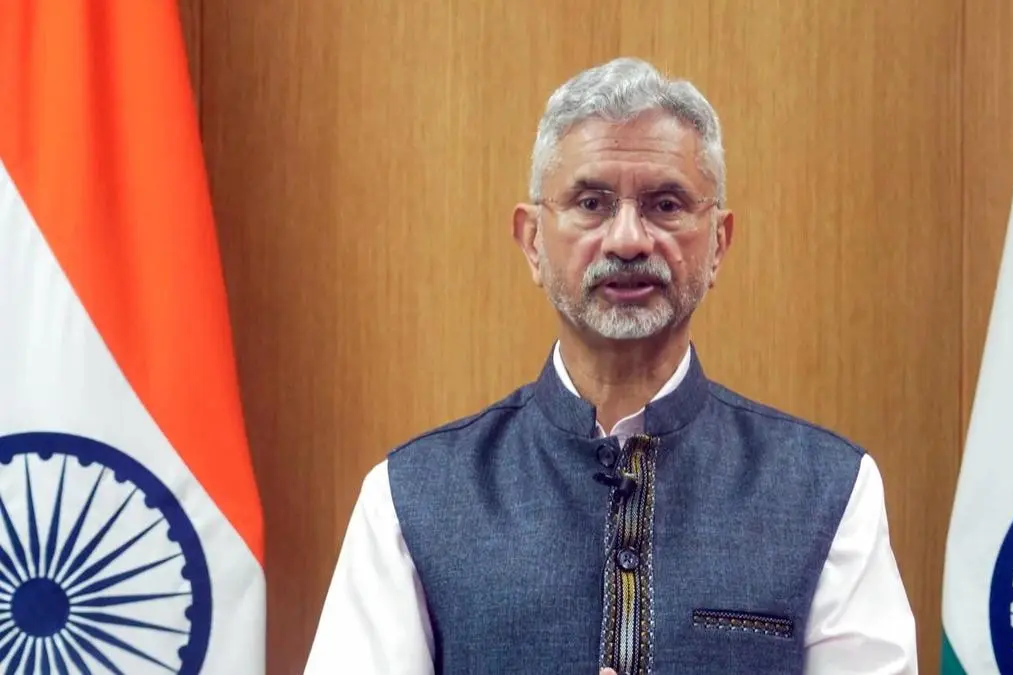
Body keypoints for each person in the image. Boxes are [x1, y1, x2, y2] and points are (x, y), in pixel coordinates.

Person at [303, 57, 917, 675]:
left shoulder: (827, 491)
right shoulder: (412, 497)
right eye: (592, 203)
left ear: (718, 244)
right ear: (533, 241)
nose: (628, 239)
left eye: (666, 204)